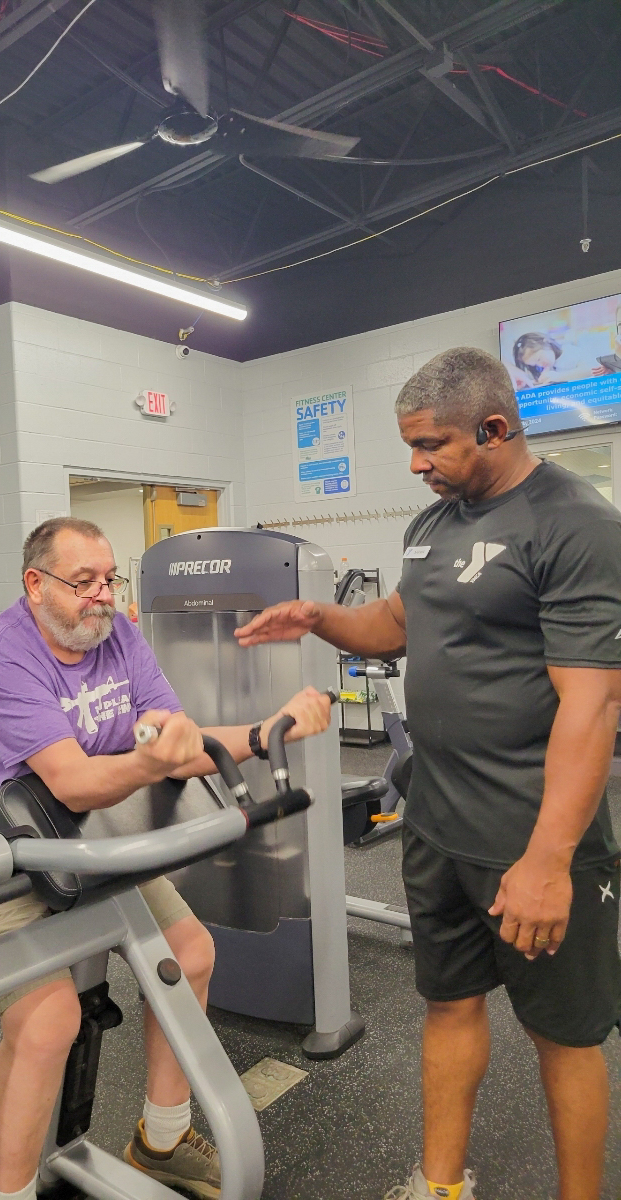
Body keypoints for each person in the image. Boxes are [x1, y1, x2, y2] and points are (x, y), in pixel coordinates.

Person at [235, 347, 621, 1200]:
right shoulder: (430, 527)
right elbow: (397, 622)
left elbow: (593, 708)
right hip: (438, 823)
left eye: (432, 445)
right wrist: (319, 615)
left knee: (565, 1036)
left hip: (532, 832)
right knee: (449, 1005)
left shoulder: (575, 523)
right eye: (410, 446)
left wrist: (550, 860)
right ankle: (439, 1185)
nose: (416, 465)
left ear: (494, 428)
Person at [0, 516, 333, 1200]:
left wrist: (262, 731)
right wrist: (148, 759)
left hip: (81, 839)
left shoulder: (119, 636)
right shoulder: (4, 656)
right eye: (83, 583)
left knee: (189, 955)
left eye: (109, 579)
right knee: (50, 1023)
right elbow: (74, 778)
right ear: (35, 585)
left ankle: (161, 1142)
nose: (102, 595)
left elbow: (176, 740)